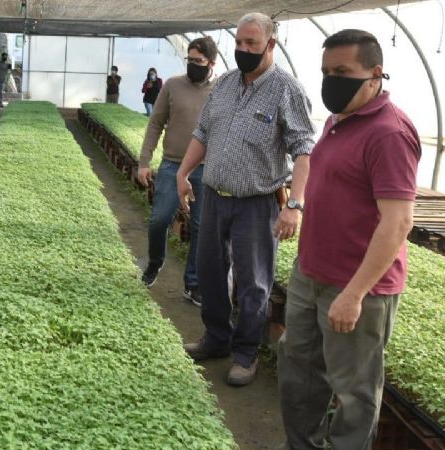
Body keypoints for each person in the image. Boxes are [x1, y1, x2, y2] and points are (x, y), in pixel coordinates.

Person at [278, 29, 419, 450]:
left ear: (375, 74)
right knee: (298, 372)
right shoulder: (338, 121)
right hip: (311, 273)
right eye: (325, 71)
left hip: (357, 286)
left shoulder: (389, 133)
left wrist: (355, 294)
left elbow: (398, 222)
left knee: (355, 392)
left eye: (342, 71)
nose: (330, 81)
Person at [177, 12, 315, 387]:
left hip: (257, 202)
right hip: (214, 195)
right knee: (209, 270)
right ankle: (216, 338)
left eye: (251, 44)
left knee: (254, 282)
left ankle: (245, 352)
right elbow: (203, 132)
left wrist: (295, 204)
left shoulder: (287, 90)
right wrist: (182, 173)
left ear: (270, 45)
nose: (243, 49)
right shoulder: (223, 85)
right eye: (238, 43)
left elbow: (304, 150)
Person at [138, 37, 218, 308]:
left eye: (199, 61)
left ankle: (192, 283)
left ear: (212, 63)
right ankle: (155, 263)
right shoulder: (172, 85)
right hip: (172, 164)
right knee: (159, 219)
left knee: (201, 228)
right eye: (190, 60)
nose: (193, 65)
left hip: (205, 170)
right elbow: (155, 124)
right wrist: (144, 161)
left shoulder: (221, 90)